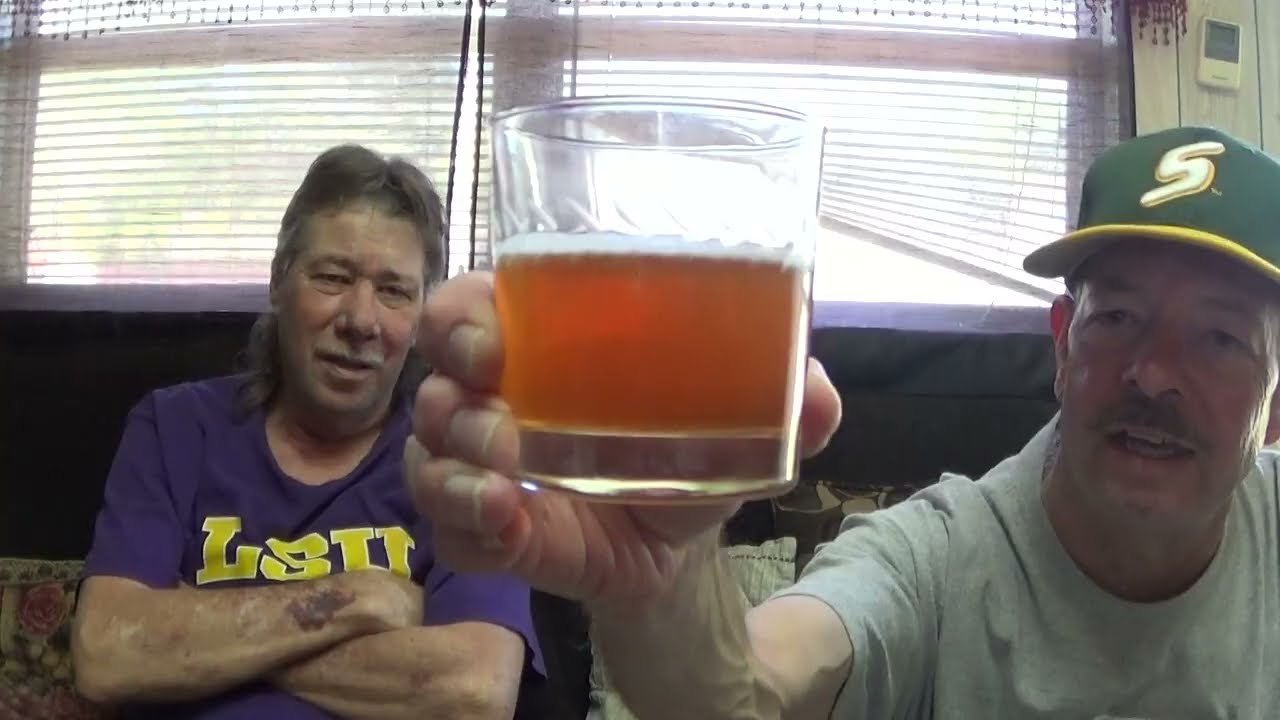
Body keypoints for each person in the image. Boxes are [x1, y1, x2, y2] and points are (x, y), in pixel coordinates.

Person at [404, 125, 1280, 719]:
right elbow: (747, 694)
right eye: (1117, 318)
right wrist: (659, 577)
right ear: (1062, 345)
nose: (1153, 373)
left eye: (1219, 338)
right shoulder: (939, 558)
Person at [72, 144, 544, 720]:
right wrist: (359, 598)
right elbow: (105, 654)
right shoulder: (174, 428)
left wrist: (199, 635)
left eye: (394, 291)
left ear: (424, 314)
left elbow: (474, 691)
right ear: (279, 281)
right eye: (332, 277)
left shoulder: (462, 458)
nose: (361, 320)